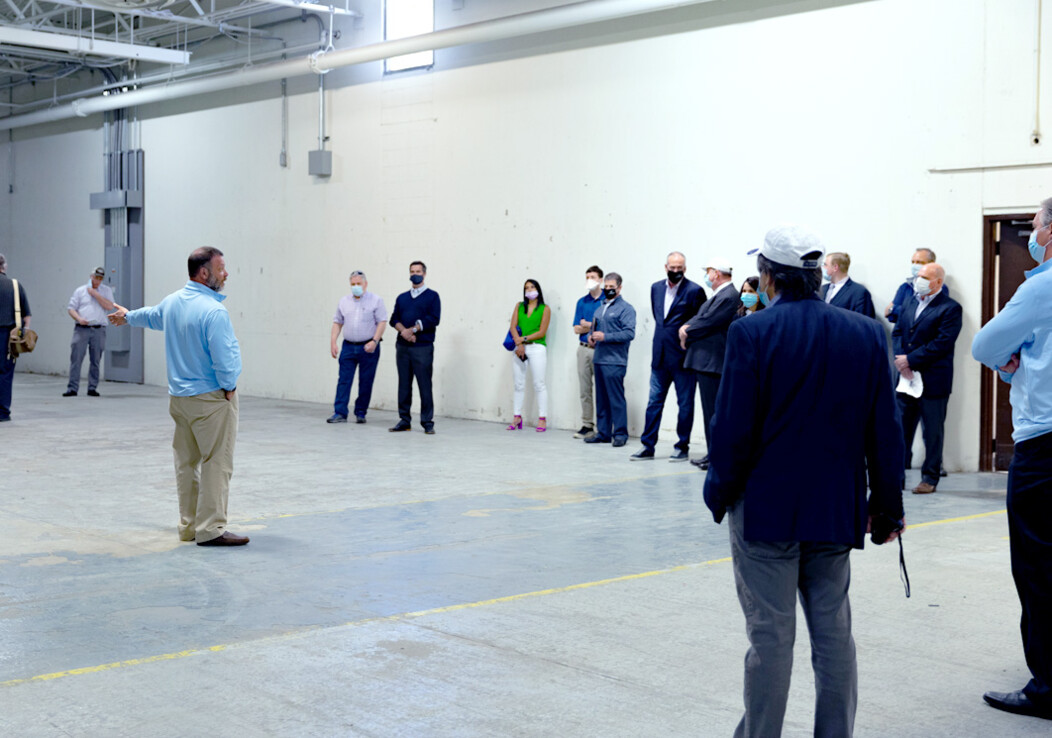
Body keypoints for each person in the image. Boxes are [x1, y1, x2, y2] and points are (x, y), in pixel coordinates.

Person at [703, 225, 905, 738]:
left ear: (769, 278)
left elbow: (732, 430)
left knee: (770, 636)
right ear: (816, 276)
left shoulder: (751, 333)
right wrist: (887, 507)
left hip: (767, 510)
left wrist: (720, 494)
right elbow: (885, 432)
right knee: (834, 633)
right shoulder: (867, 333)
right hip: (835, 509)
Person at [972, 199, 1052, 722]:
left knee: (1040, 565)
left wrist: (1007, 363)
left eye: (1038, 225)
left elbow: (984, 345)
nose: (1033, 233)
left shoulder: (1042, 285)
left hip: (1045, 447)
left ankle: (1048, 687)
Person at [108, 247, 247, 547]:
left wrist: (128, 316)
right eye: (221, 268)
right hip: (211, 400)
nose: (226, 274)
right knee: (216, 462)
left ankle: (189, 526)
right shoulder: (214, 311)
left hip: (180, 401)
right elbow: (223, 359)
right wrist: (230, 387)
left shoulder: (173, 303)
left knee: (187, 463)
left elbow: (153, 316)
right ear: (204, 273)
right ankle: (211, 529)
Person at [891, 262, 963, 494]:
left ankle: (929, 478)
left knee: (932, 432)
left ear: (938, 282)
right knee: (900, 430)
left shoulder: (950, 308)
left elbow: (941, 344)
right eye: (918, 275)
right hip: (906, 379)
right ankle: (896, 477)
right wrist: (901, 359)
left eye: (923, 276)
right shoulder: (911, 301)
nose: (918, 280)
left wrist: (910, 360)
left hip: (933, 380)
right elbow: (899, 332)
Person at [632, 252, 705, 462]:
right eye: (672, 268)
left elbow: (701, 321)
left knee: (685, 404)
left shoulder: (694, 291)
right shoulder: (656, 288)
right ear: (665, 267)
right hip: (659, 356)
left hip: (683, 358)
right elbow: (659, 320)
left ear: (685, 268)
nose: (675, 271)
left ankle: (682, 445)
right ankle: (648, 445)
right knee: (654, 402)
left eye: (679, 268)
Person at [680, 258, 738, 470]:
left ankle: (716, 457)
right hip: (707, 362)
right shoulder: (720, 295)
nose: (707, 275)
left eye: (708, 272)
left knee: (714, 412)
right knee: (709, 412)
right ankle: (712, 453)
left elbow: (708, 321)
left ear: (716, 273)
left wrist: (686, 330)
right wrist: (687, 325)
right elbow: (700, 317)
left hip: (714, 362)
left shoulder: (729, 295)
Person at [327, 270, 387, 424]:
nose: (355, 287)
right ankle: (340, 412)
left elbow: (382, 322)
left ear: (365, 284)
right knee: (344, 380)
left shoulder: (376, 300)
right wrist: (333, 341)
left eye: (358, 284)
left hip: (368, 346)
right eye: (353, 284)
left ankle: (361, 412)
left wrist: (374, 341)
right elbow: (337, 322)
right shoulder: (344, 301)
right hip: (348, 346)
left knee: (366, 380)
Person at [389, 260, 441, 434]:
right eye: (412, 271)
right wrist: (404, 332)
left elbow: (434, 319)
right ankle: (404, 420)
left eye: (418, 271)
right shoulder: (402, 297)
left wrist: (413, 330)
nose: (415, 274)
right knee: (404, 384)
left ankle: (427, 422)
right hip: (403, 347)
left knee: (424, 384)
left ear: (424, 274)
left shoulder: (433, 296)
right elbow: (394, 319)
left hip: (422, 348)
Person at [584, 272, 635, 448]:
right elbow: (594, 329)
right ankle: (603, 433)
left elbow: (629, 333)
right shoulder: (600, 308)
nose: (608, 290)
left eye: (612, 288)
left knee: (616, 398)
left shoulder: (626, 309)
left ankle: (620, 433)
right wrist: (591, 336)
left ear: (619, 288)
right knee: (602, 399)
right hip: (599, 359)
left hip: (615, 361)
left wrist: (605, 336)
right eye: (606, 287)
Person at [63, 266, 115, 398]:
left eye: (100, 278)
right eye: (96, 277)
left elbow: (109, 306)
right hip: (82, 329)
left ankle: (92, 387)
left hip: (98, 329)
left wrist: (96, 294)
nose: (97, 281)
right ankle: (72, 388)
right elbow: (71, 309)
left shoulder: (106, 291)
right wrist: (79, 318)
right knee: (76, 359)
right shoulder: (80, 291)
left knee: (96, 360)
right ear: (91, 276)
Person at [507, 279, 551, 432]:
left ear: (538, 289)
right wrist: (519, 344)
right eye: (526, 288)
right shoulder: (519, 306)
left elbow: (541, 332)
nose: (529, 290)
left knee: (539, 384)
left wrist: (524, 339)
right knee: (518, 384)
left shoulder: (545, 309)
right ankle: (517, 416)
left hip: (537, 348)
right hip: (520, 349)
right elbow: (513, 326)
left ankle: (542, 418)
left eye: (532, 287)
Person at [572, 266, 604, 438]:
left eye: (592, 277)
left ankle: (603, 425)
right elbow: (576, 328)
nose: (589, 280)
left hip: (602, 350)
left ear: (600, 279)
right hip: (584, 349)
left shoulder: (607, 300)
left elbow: (608, 325)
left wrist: (588, 325)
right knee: (585, 389)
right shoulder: (582, 302)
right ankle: (587, 425)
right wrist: (588, 326)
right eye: (587, 277)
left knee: (602, 389)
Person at [0, 253, 31, 423]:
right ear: (4, 266)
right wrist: (24, 332)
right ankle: (3, 412)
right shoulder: (15, 285)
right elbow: (27, 315)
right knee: (5, 373)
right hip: (8, 336)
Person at [885, 248, 949, 323]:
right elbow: (891, 316)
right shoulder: (906, 286)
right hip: (903, 333)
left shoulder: (939, 288)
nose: (915, 265)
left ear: (931, 264)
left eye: (919, 262)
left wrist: (895, 309)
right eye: (913, 262)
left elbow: (930, 317)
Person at [820, 252, 877, 318]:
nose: (822, 268)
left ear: (835, 267)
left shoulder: (859, 292)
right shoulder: (822, 289)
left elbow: (865, 323)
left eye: (825, 265)